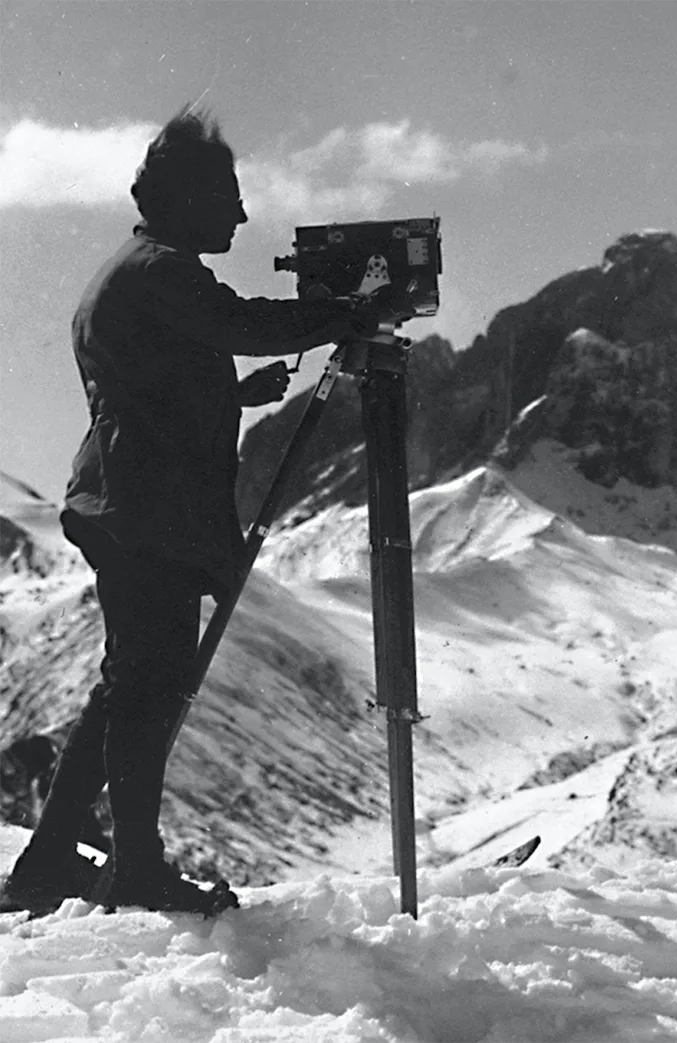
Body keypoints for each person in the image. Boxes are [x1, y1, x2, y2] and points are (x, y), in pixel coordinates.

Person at [0, 106, 373, 917]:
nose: (241, 214)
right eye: (228, 197)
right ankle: (132, 867)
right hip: (145, 515)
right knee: (146, 688)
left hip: (128, 505)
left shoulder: (132, 272)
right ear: (185, 198)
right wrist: (342, 311)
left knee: (125, 687)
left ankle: (48, 858)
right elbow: (235, 321)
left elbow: (152, 384)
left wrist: (230, 391)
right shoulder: (164, 270)